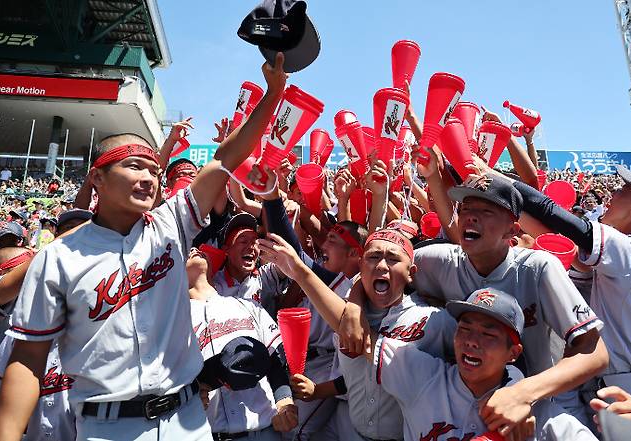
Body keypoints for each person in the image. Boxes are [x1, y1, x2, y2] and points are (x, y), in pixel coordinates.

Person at [0, 52, 288, 441]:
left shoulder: (170, 225)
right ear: (97, 179)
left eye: (154, 170)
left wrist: (273, 94)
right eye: (134, 166)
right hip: (106, 425)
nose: (149, 177)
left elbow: (225, 159)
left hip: (186, 417)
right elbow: (28, 361)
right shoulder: (57, 258)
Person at [381, 173, 608, 437]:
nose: (470, 216)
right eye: (465, 209)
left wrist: (522, 393)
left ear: (512, 230)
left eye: (486, 210)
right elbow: (376, 269)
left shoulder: (538, 267)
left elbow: (595, 351)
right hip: (463, 401)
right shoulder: (436, 261)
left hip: (543, 404)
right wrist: (354, 305)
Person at [259, 229, 455, 441]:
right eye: (373, 257)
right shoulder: (347, 307)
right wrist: (317, 390)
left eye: (393, 259)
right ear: (361, 266)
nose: (381, 265)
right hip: (348, 429)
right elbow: (358, 377)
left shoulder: (435, 320)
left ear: (411, 273)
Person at [512, 165, 631, 426]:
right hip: (618, 392)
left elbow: (554, 215)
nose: (614, 192)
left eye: (625, 189)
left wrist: (490, 176)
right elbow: (554, 236)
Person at [376, 287, 597, 441]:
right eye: (464, 329)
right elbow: (359, 338)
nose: (472, 341)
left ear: (513, 353)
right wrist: (355, 302)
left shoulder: (540, 417)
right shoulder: (423, 376)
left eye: (488, 334)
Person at [260, 167, 367, 441]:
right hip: (304, 361)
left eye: (332, 240)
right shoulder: (332, 276)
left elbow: (294, 252)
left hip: (327, 372)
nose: (323, 245)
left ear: (355, 253)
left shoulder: (352, 284)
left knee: (296, 433)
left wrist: (272, 197)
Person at [186, 247, 297, 440]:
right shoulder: (172, 322)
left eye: (201, 251)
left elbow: (274, 362)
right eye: (186, 251)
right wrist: (190, 394)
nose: (195, 250)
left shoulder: (247, 305)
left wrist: (284, 401)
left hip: (265, 429)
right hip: (211, 433)